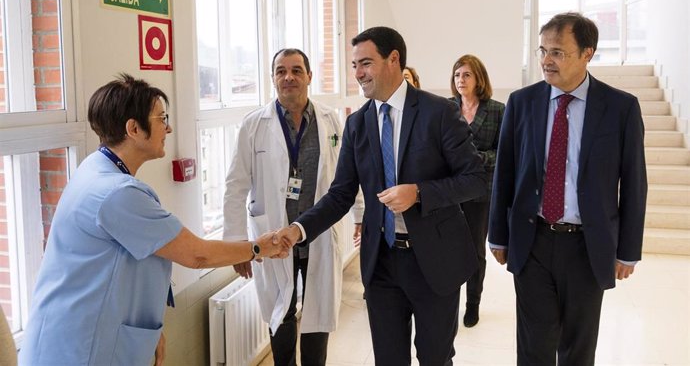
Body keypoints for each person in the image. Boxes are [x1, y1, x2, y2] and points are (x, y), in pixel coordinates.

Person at [19, 74, 286, 366]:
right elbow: (196, 254)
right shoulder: (117, 194)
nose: (168, 127)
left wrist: (150, 331)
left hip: (76, 334)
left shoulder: (97, 169)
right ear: (133, 128)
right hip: (79, 348)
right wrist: (260, 247)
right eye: (162, 118)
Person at [276, 26, 487, 365]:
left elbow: (476, 179)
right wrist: (298, 230)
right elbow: (341, 194)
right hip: (382, 263)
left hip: (434, 261)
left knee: (435, 357)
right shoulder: (358, 124)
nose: (358, 73)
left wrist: (419, 192)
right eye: (354, 65)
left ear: (394, 60)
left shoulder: (439, 113)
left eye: (366, 63)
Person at [489, 12, 647, 366]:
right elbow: (506, 172)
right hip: (533, 241)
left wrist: (628, 249)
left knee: (578, 347)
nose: (547, 60)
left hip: (587, 245)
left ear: (587, 53)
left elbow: (634, 181)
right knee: (534, 346)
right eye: (543, 50)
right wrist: (498, 235)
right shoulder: (522, 102)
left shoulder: (620, 108)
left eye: (558, 52)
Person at [223, 48, 362, 366]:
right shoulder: (254, 125)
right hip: (273, 237)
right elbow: (235, 188)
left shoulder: (330, 121)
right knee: (279, 314)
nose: (289, 77)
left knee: (318, 316)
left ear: (309, 77)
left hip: (318, 236)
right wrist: (236, 246)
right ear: (273, 78)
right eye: (281, 71)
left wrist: (360, 215)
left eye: (297, 70)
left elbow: (348, 175)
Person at [449, 54, 504, 327]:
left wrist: (478, 159)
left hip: (480, 192)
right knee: (446, 249)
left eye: (467, 75)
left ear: (478, 78)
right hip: (447, 192)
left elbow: (505, 153)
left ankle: (473, 303)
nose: (461, 80)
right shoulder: (445, 108)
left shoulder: (496, 110)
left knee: (474, 252)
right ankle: (447, 302)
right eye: (458, 75)